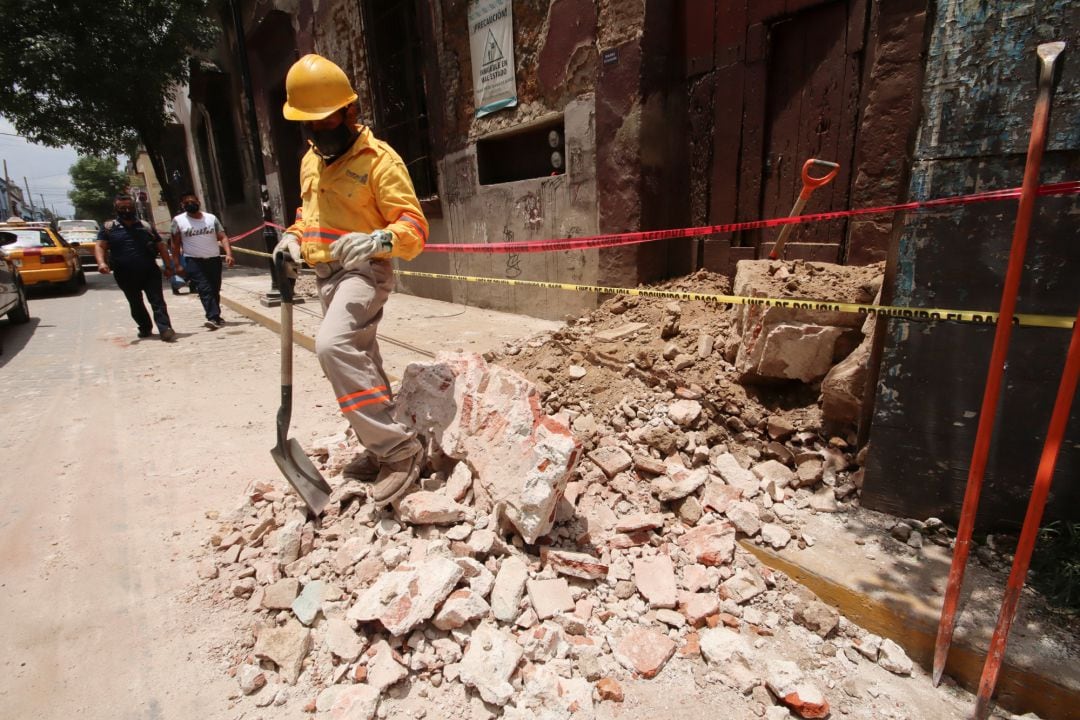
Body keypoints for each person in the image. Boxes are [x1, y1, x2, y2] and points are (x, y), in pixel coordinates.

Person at [274, 53, 429, 507]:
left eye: (326, 121)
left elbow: (415, 228)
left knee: (333, 346)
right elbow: (309, 216)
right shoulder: (310, 161)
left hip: (364, 271)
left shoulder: (379, 160)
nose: (319, 132)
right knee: (361, 357)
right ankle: (379, 444)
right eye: (310, 125)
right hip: (324, 273)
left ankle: (399, 452)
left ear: (348, 111)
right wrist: (291, 238)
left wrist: (380, 239)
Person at [95, 194, 178, 341]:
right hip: (124, 273)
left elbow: (161, 246)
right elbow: (100, 246)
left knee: (157, 300)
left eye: (130, 207)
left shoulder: (145, 226)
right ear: (116, 209)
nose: (127, 210)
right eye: (123, 208)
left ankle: (165, 328)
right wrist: (101, 263)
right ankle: (145, 327)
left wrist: (169, 266)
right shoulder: (109, 228)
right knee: (135, 302)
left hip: (149, 271)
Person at [170, 191, 234, 329]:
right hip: (193, 260)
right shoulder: (178, 221)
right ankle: (212, 317)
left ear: (198, 202)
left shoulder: (211, 218)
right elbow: (175, 244)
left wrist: (228, 254)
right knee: (205, 288)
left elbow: (222, 237)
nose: (190, 204)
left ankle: (216, 315)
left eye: (192, 202)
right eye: (186, 203)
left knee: (214, 288)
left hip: (213, 259)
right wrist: (177, 264)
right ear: (182, 205)